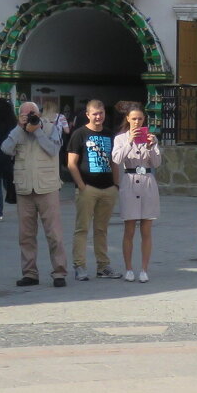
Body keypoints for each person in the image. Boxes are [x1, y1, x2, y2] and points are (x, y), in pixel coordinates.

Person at [1, 101, 68, 287]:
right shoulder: (17, 132)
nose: (30, 116)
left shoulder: (50, 128)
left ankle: (59, 272)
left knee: (54, 234)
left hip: (47, 188)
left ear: (39, 113)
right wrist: (19, 128)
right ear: (19, 116)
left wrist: (37, 130)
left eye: (32, 113)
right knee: (26, 235)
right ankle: (30, 273)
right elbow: (5, 149)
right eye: (25, 114)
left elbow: (54, 150)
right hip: (24, 189)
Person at [67, 99, 120, 281]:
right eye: (95, 114)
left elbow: (114, 162)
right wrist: (82, 186)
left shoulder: (109, 134)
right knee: (82, 229)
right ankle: (79, 266)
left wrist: (116, 185)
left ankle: (103, 266)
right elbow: (71, 163)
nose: (98, 117)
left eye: (101, 113)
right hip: (87, 188)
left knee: (101, 229)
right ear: (88, 115)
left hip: (108, 189)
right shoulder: (79, 134)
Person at [110, 106, 161, 283]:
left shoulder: (150, 138)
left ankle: (144, 269)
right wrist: (129, 142)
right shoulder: (120, 139)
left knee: (146, 229)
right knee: (129, 229)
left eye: (140, 119)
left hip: (147, 181)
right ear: (128, 119)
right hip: (130, 181)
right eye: (134, 119)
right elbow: (116, 160)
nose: (137, 122)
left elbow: (157, 162)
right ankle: (129, 268)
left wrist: (152, 146)